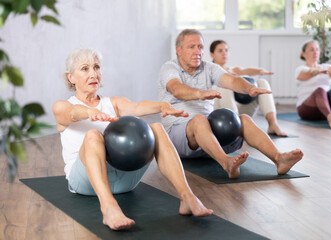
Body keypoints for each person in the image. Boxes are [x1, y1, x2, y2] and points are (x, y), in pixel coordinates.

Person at [52, 48, 213, 231]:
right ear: (70, 77)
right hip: (85, 183)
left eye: (96, 67)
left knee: (156, 129)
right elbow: (71, 113)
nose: (93, 73)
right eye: (85, 68)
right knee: (93, 136)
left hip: (124, 180)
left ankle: (188, 198)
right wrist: (89, 112)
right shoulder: (62, 106)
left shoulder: (112, 103)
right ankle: (109, 207)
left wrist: (162, 106)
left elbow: (137, 107)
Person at [158, 29, 303, 179]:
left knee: (244, 119)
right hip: (178, 137)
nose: (197, 51)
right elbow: (176, 89)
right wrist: (200, 94)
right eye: (191, 47)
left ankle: (279, 159)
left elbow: (232, 80)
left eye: (200, 47)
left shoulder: (209, 67)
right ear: (178, 50)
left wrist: (250, 88)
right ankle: (226, 163)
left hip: (208, 140)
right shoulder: (170, 68)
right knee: (199, 120)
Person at [210, 40, 287, 136]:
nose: (224, 53)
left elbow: (246, 71)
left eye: (226, 50)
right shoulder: (210, 70)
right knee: (225, 86)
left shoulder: (233, 70)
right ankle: (235, 128)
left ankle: (273, 124)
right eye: (220, 51)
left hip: (237, 113)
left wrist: (260, 71)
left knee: (262, 82)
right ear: (212, 54)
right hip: (220, 114)